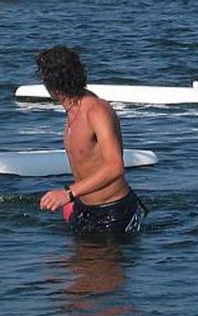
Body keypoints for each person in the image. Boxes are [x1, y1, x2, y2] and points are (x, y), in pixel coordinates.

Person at [37, 46, 147, 237]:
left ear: (51, 87)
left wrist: (68, 193)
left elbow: (115, 167)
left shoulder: (96, 110)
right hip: (83, 209)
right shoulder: (72, 111)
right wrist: (75, 199)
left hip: (114, 213)